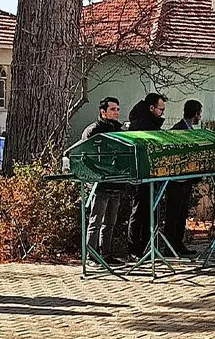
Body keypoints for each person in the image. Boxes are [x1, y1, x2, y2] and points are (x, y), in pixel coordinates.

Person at [82, 97, 125, 266]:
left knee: (110, 223)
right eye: (113, 109)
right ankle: (91, 256)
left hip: (116, 181)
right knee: (95, 221)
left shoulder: (119, 130)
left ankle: (106, 254)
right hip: (99, 183)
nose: (116, 112)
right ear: (103, 112)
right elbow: (86, 156)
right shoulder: (93, 131)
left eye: (117, 109)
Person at [126, 92, 167, 259]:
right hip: (141, 175)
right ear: (151, 108)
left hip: (151, 175)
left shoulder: (150, 123)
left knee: (149, 213)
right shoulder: (143, 125)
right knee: (139, 212)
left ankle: (145, 247)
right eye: (160, 109)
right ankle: (135, 249)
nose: (162, 113)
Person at [162, 100, 202, 256]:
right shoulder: (178, 130)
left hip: (187, 180)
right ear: (196, 113)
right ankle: (169, 246)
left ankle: (178, 244)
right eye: (199, 113)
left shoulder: (191, 130)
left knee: (182, 214)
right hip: (176, 181)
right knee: (173, 214)